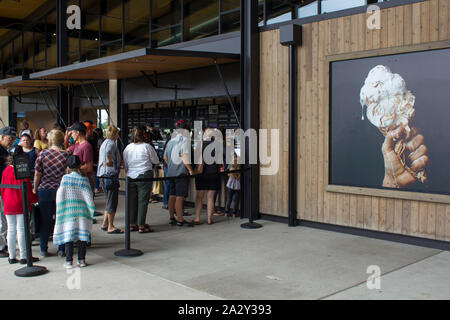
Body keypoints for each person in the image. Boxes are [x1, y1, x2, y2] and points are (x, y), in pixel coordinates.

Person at [53, 155, 95, 269]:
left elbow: (60, 195)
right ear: (80, 165)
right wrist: (91, 209)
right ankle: (81, 260)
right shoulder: (84, 179)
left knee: (69, 236)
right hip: (82, 212)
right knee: (82, 237)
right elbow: (88, 196)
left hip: (68, 211)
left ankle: (69, 261)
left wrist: (61, 208)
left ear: (68, 166)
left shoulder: (65, 179)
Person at [1, 146, 39, 264]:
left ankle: (12, 256)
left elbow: (2, 189)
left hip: (8, 202)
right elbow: (27, 189)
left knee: (11, 229)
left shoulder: (6, 170)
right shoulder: (22, 170)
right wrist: (34, 199)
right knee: (22, 229)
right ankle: (24, 256)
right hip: (20, 202)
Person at [33, 129, 69, 257]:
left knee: (45, 220)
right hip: (61, 189)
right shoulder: (65, 155)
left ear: (50, 140)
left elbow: (38, 173)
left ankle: (43, 248)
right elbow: (67, 173)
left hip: (45, 189)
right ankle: (61, 248)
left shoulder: (43, 154)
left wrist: (34, 187)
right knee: (61, 219)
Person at [123, 126, 160, 233]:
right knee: (143, 201)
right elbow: (156, 161)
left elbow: (125, 164)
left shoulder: (128, 148)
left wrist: (128, 172)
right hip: (144, 174)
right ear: (144, 135)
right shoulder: (147, 147)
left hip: (130, 176)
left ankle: (131, 223)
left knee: (132, 200)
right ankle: (141, 225)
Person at [163, 120, 194, 227]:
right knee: (180, 196)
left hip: (171, 172)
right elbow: (184, 156)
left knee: (172, 195)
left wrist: (171, 165)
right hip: (181, 172)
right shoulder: (185, 140)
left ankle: (172, 217)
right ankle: (180, 219)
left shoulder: (171, 141)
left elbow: (165, 157)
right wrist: (190, 170)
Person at [97, 126, 123, 234]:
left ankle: (105, 223)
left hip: (103, 175)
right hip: (110, 175)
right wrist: (109, 161)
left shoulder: (104, 143)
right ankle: (111, 226)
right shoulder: (111, 144)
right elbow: (109, 157)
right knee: (112, 201)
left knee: (109, 199)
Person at [194, 128, 221, 225]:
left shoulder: (200, 144)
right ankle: (209, 219)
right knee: (210, 197)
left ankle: (197, 218)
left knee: (199, 197)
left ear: (205, 135)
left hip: (202, 173)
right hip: (213, 173)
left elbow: (196, 159)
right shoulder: (217, 145)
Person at [0, 126, 17, 258]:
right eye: (9, 138)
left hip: (5, 188)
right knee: (2, 219)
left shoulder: (5, 151)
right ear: (2, 137)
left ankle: (4, 243)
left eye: (13, 139)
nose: (11, 141)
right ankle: (1, 246)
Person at [66, 122, 94, 190]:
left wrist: (73, 170)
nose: (71, 135)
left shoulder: (86, 146)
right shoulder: (77, 145)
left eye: (72, 133)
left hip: (83, 182)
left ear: (77, 133)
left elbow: (89, 167)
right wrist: (66, 137)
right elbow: (65, 150)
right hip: (78, 181)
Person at [94, 127, 104, 195]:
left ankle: (96, 187)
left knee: (97, 173)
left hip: (97, 157)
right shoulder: (102, 140)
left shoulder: (96, 141)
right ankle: (97, 187)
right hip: (99, 158)